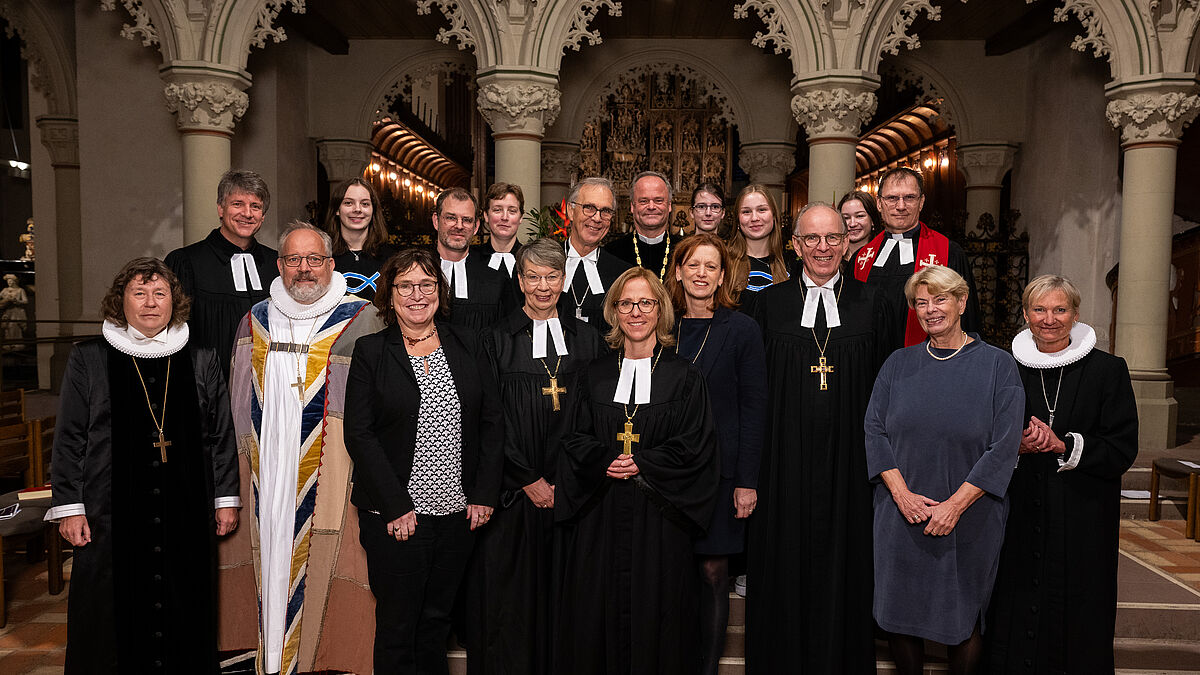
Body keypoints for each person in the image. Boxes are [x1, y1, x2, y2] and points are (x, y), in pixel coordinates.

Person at [47, 257, 239, 674]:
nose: (150, 303)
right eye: (139, 293)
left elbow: (221, 434)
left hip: (186, 511)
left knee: (186, 602)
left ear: (175, 301)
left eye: (160, 293)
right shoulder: (90, 359)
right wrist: (69, 506)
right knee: (107, 616)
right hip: (107, 513)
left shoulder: (201, 358)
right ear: (122, 301)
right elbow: (69, 437)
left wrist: (226, 499)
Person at [220, 221, 382, 675]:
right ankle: (271, 655)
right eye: (294, 260)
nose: (304, 270)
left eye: (314, 260)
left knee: (336, 563)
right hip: (267, 470)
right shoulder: (255, 319)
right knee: (267, 555)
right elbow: (235, 408)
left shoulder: (362, 317)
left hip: (335, 471)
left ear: (331, 265)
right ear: (279, 265)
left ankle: (320, 659)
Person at [745, 204, 892, 674]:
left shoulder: (875, 302)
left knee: (847, 561)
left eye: (832, 238)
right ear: (795, 245)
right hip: (782, 460)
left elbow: (890, 389)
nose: (823, 247)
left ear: (847, 243)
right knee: (782, 559)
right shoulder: (768, 304)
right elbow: (755, 390)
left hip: (851, 461)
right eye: (812, 239)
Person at [344, 247, 503, 674]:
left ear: (440, 291)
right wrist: (395, 505)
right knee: (398, 626)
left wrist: (485, 491)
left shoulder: (469, 343)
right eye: (406, 285)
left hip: (457, 513)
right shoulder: (371, 352)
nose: (417, 295)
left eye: (427, 285)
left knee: (436, 622)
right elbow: (359, 434)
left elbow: (492, 420)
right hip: (396, 515)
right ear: (389, 294)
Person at [554, 267, 720, 675]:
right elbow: (573, 436)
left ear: (660, 310)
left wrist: (642, 462)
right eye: (626, 303)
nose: (636, 312)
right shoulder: (593, 374)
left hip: (660, 520)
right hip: (602, 515)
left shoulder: (684, 377)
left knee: (659, 612)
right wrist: (602, 459)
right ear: (613, 311)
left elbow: (696, 445)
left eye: (646, 303)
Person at [865, 265, 1024, 675]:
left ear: (961, 301)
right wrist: (900, 494)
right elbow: (874, 430)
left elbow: (1004, 447)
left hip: (971, 515)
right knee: (899, 611)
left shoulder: (998, 366)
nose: (930, 309)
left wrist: (953, 506)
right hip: (901, 512)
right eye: (921, 302)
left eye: (940, 299)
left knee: (964, 611)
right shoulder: (897, 364)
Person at [985, 275, 1138, 674]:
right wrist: (1012, 445)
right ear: (1024, 314)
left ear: (1075, 314)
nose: (1049, 319)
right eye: (1039, 309)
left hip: (1083, 514)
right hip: (1018, 509)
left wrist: (1064, 446)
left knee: (1080, 610)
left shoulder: (1108, 370)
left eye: (1059, 310)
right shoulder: (1003, 366)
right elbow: (981, 432)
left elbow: (1122, 447)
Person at [470, 238, 605, 674]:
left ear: (564, 281)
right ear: (520, 280)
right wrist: (526, 477)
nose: (543, 287)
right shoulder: (495, 340)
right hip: (515, 493)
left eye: (552, 277)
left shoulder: (588, 339)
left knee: (569, 599)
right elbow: (488, 420)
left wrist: (567, 480)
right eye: (533, 276)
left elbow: (598, 417)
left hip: (573, 494)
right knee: (513, 604)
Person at [665, 233, 767, 675]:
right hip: (666, 473)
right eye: (693, 265)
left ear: (723, 275)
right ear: (678, 272)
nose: (701, 274)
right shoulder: (660, 325)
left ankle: (706, 669)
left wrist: (747, 481)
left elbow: (754, 407)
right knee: (668, 571)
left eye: (711, 266)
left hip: (722, 473)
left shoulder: (741, 329)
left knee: (712, 572)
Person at [852, 167, 979, 350]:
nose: (901, 206)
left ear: (921, 202)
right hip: (869, 362)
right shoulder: (861, 258)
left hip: (930, 360)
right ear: (879, 204)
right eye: (892, 198)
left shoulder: (948, 252)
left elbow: (968, 317)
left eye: (909, 198)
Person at [165, 169, 278, 373]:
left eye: (255, 206)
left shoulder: (276, 263)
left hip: (269, 384)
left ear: (263, 216)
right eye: (237, 204)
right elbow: (172, 334)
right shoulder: (186, 261)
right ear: (220, 208)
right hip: (208, 386)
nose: (247, 213)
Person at [432, 187, 518, 330]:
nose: (459, 226)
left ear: (476, 226)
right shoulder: (416, 273)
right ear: (436, 221)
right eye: (451, 218)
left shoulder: (496, 280)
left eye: (466, 220)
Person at [561, 176, 632, 332]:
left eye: (605, 211)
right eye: (589, 208)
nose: (597, 218)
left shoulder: (622, 274)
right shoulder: (545, 263)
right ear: (571, 211)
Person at [603, 171, 682, 282]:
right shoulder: (611, 253)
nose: (651, 206)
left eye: (658, 200)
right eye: (643, 201)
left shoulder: (685, 251)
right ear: (632, 206)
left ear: (669, 206)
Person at [326, 177, 395, 301]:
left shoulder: (391, 258)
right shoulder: (323, 256)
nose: (357, 209)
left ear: (373, 210)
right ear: (337, 209)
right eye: (348, 203)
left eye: (365, 204)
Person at [727, 184, 789, 316]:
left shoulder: (791, 265)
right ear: (737, 220)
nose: (754, 218)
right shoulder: (724, 263)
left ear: (774, 215)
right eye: (746, 212)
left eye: (761, 210)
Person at [473, 182, 525, 278]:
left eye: (512, 211)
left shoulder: (531, 259)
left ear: (521, 217)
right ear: (486, 215)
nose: (504, 217)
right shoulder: (471, 259)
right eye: (497, 210)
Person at [839, 190, 882, 261]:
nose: (852, 224)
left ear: (873, 220)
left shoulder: (883, 255)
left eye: (859, 216)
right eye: (846, 218)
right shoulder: (833, 256)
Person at [0, 273, 28, 349]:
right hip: (8, 311)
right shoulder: (5, 290)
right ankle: (9, 343)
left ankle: (17, 343)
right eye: (8, 281)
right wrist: (4, 301)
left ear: (15, 282)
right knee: (7, 327)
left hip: (16, 311)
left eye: (11, 281)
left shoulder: (20, 290)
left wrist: (17, 301)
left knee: (15, 326)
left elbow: (25, 301)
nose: (9, 283)